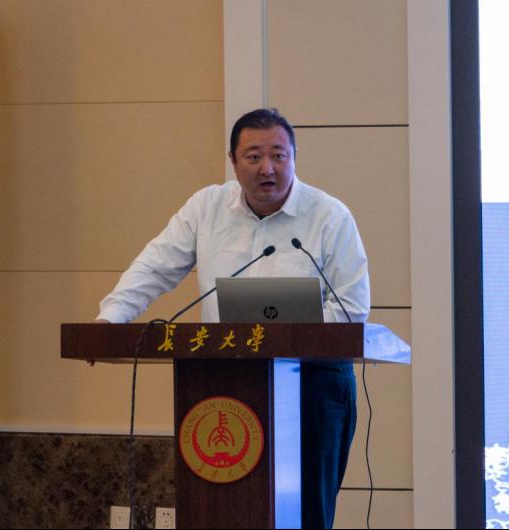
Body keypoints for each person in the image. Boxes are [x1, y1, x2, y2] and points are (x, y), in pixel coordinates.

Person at [97, 108, 370, 529]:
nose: (268, 168)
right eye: (254, 156)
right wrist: (109, 321)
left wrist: (292, 342)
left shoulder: (329, 216)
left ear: (294, 157)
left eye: (278, 155)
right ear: (233, 160)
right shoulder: (206, 207)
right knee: (223, 507)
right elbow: (155, 267)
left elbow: (351, 307)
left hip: (313, 385)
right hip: (225, 380)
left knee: (307, 512)